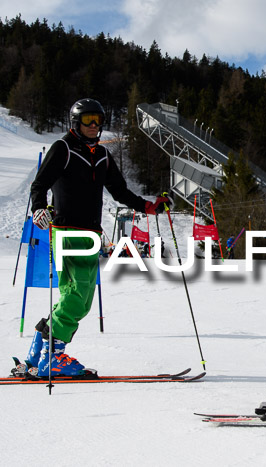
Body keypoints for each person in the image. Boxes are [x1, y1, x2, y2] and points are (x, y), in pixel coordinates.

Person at [23, 98, 170, 377]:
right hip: (67, 231)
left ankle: (38, 351)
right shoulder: (63, 148)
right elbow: (39, 184)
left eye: (98, 120)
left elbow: (120, 191)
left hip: (91, 234)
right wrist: (39, 207)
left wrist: (148, 206)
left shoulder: (102, 155)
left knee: (76, 296)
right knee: (78, 297)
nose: (94, 125)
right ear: (76, 122)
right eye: (88, 120)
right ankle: (53, 356)